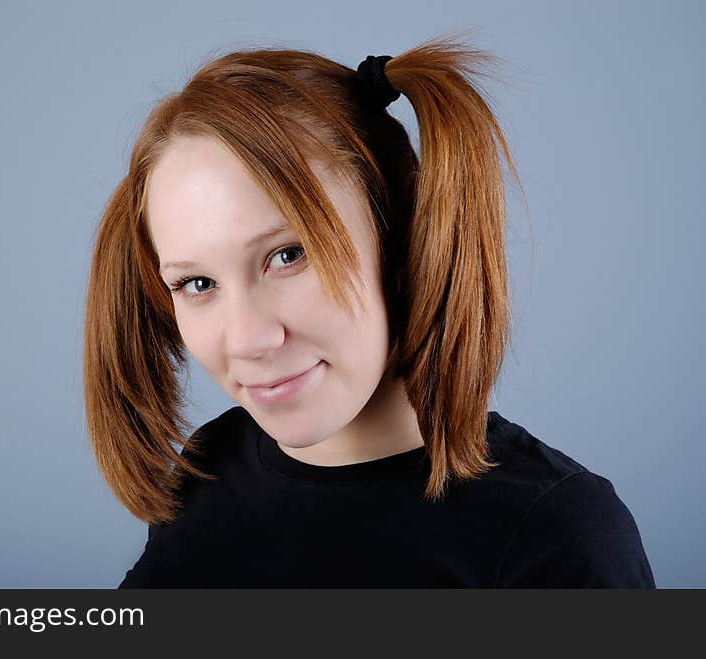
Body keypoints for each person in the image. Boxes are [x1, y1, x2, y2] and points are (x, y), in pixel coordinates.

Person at [83, 35, 656, 587]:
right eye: (198, 282)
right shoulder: (211, 464)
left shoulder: (558, 537)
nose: (248, 340)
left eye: (290, 254)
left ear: (405, 236)